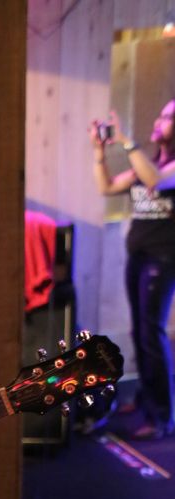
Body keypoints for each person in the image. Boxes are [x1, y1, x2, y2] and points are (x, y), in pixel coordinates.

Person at [89, 101, 175, 440]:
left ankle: (163, 416)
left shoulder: (163, 169)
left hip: (163, 258)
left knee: (151, 332)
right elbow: (107, 187)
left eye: (168, 117)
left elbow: (156, 181)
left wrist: (127, 141)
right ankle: (146, 399)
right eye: (161, 114)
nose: (159, 120)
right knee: (139, 330)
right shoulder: (149, 163)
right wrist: (99, 153)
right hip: (138, 257)